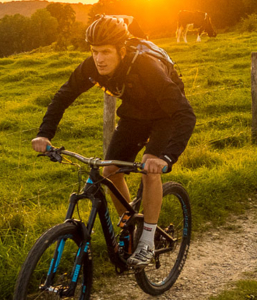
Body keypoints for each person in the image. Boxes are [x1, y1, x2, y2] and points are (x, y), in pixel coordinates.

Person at [30, 15, 196, 267]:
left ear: (121, 50)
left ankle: (147, 241)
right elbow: (63, 96)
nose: (99, 58)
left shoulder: (146, 67)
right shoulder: (91, 67)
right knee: (110, 171)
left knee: (149, 167)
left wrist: (167, 157)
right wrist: (45, 134)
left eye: (106, 52)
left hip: (166, 116)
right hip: (134, 115)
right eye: (95, 51)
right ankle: (128, 226)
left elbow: (185, 114)